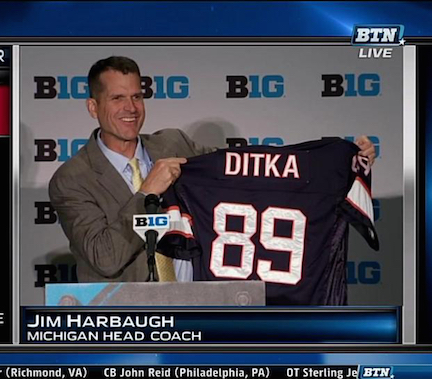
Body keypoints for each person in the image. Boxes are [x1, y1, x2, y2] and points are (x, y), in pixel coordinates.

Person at [49, 55, 376, 283]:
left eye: (137, 96)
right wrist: (147, 191)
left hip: (199, 308)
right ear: (93, 107)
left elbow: (247, 170)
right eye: (117, 98)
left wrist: (340, 162)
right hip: (128, 323)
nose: (131, 108)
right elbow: (106, 258)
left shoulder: (172, 144)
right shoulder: (72, 179)